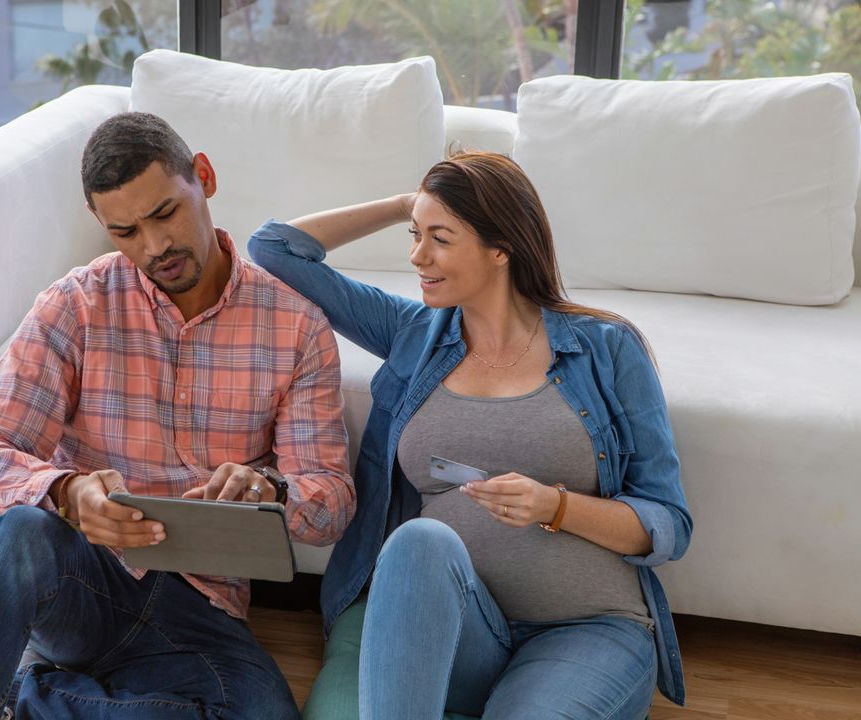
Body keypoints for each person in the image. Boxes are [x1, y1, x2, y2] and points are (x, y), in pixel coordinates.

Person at [0, 112, 355, 720]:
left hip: (198, 608)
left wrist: (271, 489)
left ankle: (9, 702)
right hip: (81, 584)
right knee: (20, 535)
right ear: (101, 224)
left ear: (204, 177)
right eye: (125, 231)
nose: (154, 247)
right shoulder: (75, 304)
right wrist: (65, 491)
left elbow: (330, 502)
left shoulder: (296, 327)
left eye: (165, 214)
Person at [247, 151, 693, 720]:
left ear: (500, 248)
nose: (418, 256)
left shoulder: (607, 347)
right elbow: (274, 249)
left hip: (586, 630)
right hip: (457, 636)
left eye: (440, 238)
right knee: (417, 541)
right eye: (415, 235)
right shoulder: (413, 333)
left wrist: (554, 506)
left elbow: (668, 523)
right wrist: (408, 203)